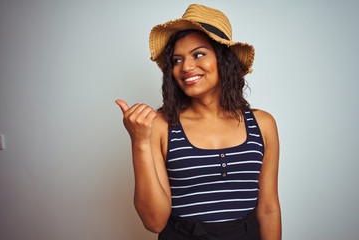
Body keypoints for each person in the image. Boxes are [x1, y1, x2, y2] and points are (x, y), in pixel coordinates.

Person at [116, 4, 281, 240]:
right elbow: (154, 222)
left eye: (199, 54)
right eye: (177, 60)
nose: (186, 67)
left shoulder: (262, 124)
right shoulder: (162, 125)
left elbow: (268, 209)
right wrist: (140, 141)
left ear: (223, 59)